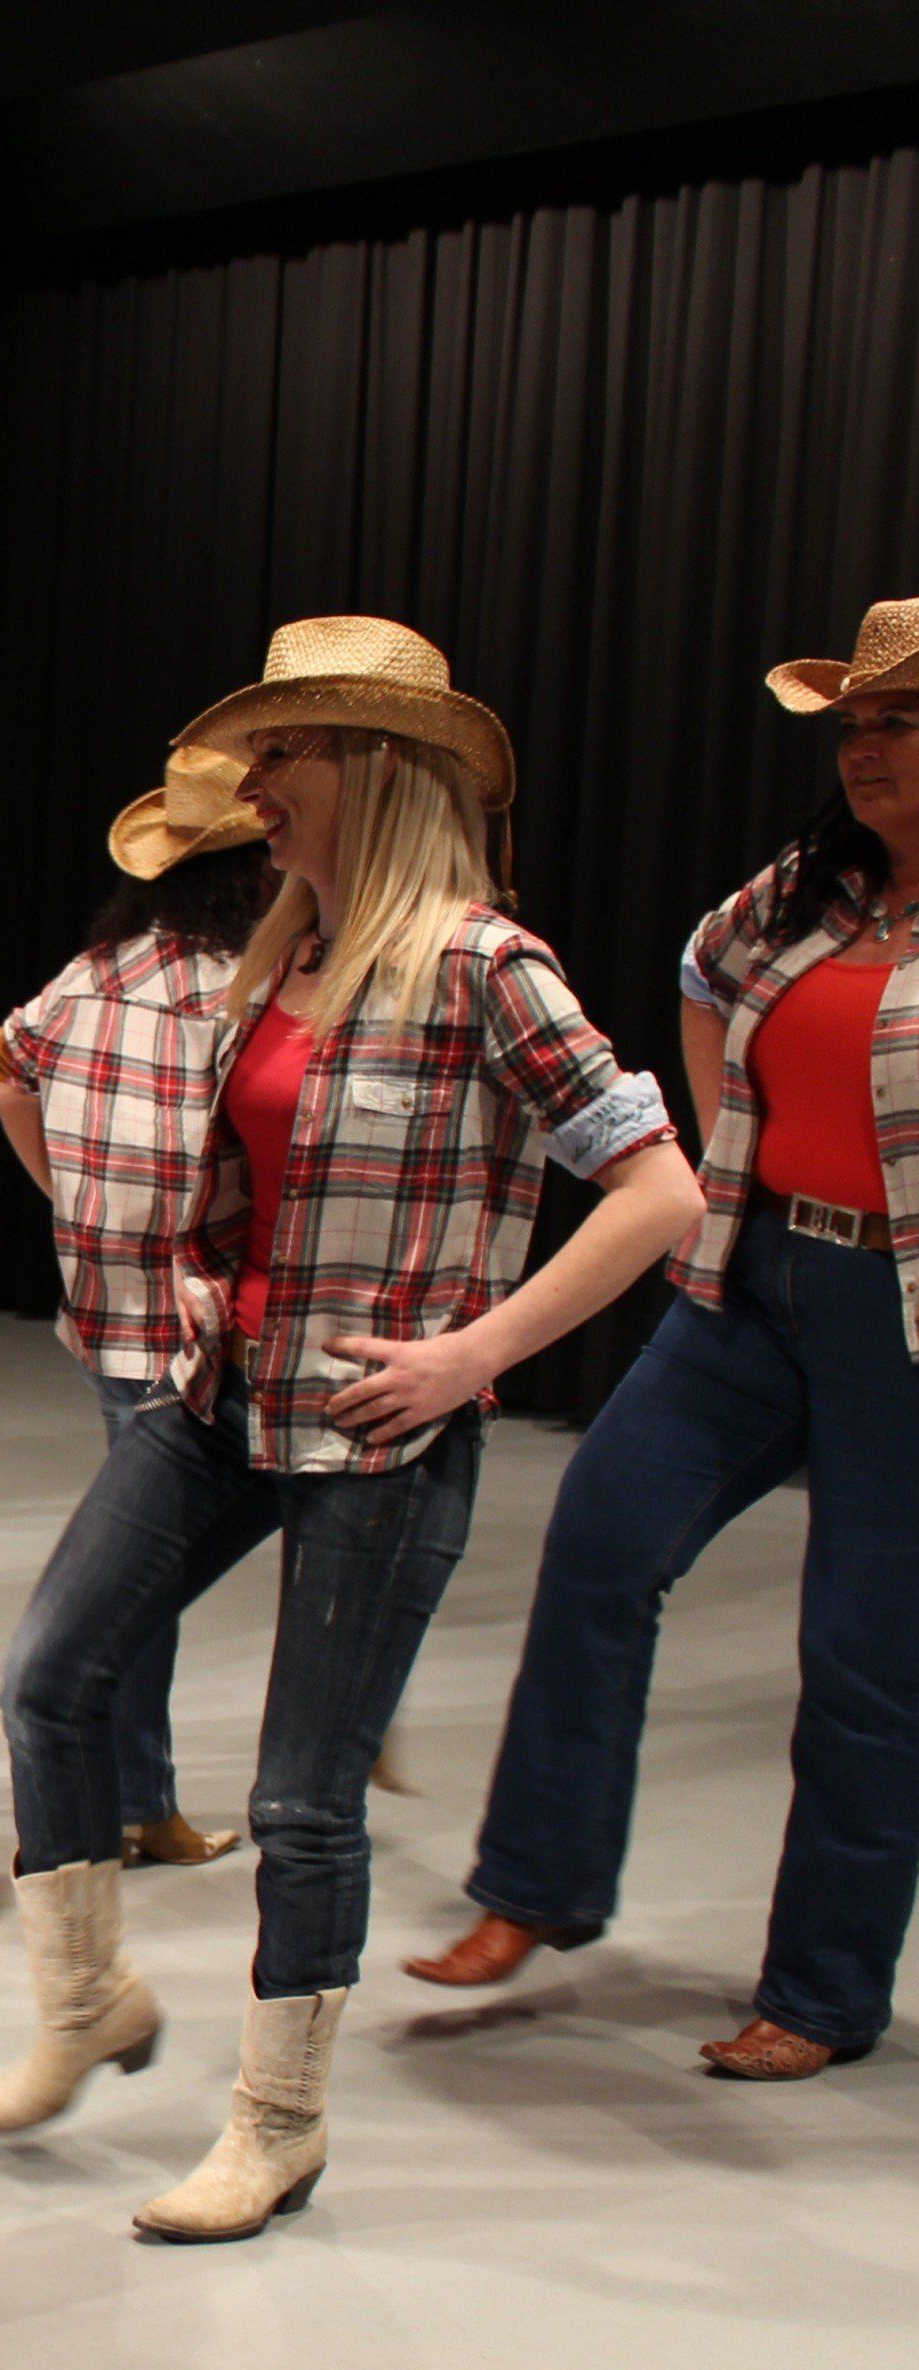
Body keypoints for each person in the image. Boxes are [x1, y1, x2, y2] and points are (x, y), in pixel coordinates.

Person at [0, 616, 701, 2243]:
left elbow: (659, 1190)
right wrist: (212, 1273)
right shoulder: (273, 956)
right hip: (221, 1396)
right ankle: (84, 2000)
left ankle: (278, 2121)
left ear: (373, 769)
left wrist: (477, 1354)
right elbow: (249, 1176)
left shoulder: (483, 964)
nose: (253, 787)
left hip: (381, 1429)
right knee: (49, 1678)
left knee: (303, 1800)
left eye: (282, 756)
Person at [408, 597, 919, 2079]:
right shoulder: (807, 893)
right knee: (599, 1542)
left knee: (866, 1663)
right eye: (858, 726)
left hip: (899, 1325)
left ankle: (820, 1990)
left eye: (898, 723)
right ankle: (538, 1887)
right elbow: (703, 976)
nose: (867, 750)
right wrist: (725, 1165)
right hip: (753, 1282)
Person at [0, 745, 278, 1869]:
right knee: (143, 1571)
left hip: (104, 1300)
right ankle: (122, 1799)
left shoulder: (99, 968)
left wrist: (63, 1185)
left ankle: (134, 1797)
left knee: (136, 1559)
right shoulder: (254, 986)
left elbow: (0, 1062)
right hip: (206, 1317)